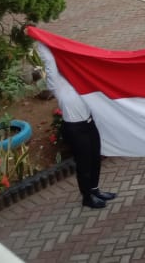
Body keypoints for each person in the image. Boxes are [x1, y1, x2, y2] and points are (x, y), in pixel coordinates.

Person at [42, 50, 117, 209]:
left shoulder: (79, 78)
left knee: (95, 158)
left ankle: (95, 190)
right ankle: (87, 197)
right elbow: (49, 64)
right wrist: (42, 42)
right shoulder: (57, 84)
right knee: (84, 164)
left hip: (89, 123)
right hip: (75, 128)